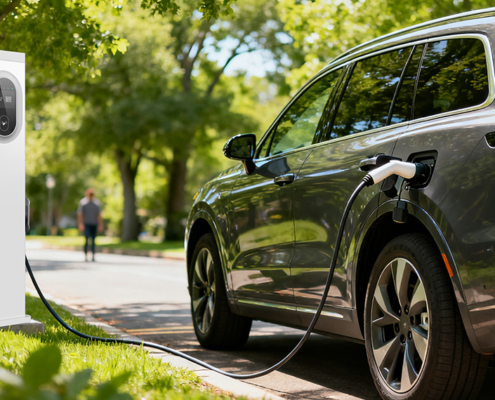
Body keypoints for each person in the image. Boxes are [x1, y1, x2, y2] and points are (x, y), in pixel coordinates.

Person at [77, 188, 103, 262]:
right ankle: (85, 255)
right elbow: (80, 214)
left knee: (93, 241)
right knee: (87, 240)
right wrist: (80, 224)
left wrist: (100, 224)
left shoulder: (97, 203)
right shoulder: (83, 203)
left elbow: (99, 215)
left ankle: (93, 256)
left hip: (94, 224)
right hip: (86, 224)